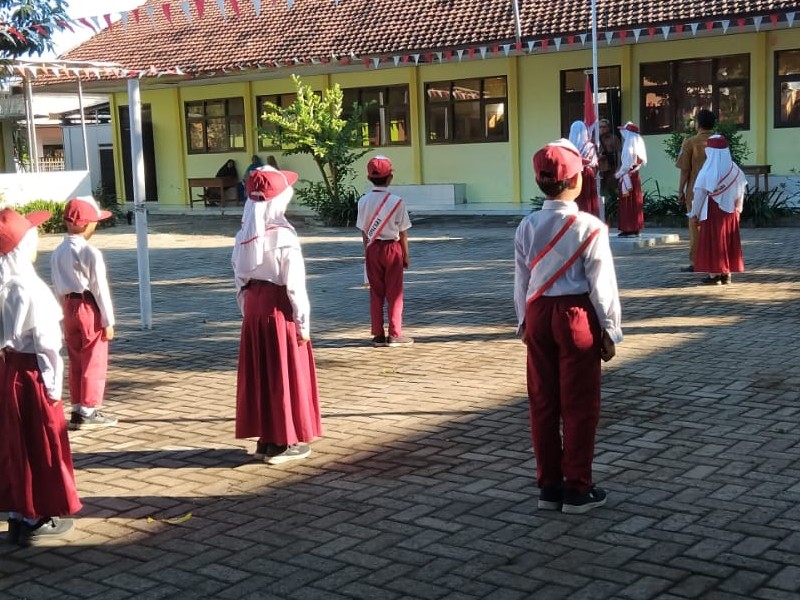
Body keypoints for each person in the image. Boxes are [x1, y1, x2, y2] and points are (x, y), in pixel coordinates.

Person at [514, 139, 622, 514]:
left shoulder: (527, 226)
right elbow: (602, 284)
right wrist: (610, 329)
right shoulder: (590, 227)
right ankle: (577, 488)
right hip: (576, 316)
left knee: (542, 403)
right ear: (576, 181)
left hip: (538, 312)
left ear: (539, 181)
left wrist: (523, 323)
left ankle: (549, 487)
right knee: (578, 405)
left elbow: (521, 280)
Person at [0, 208, 82, 545]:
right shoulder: (31, 288)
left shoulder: (4, 284)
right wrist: (53, 387)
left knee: (14, 443)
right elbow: (48, 346)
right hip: (32, 373)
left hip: (8, 371)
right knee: (41, 442)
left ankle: (18, 514)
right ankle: (37, 517)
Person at [232, 165, 322, 465]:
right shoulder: (284, 236)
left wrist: (249, 314)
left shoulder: (244, 235)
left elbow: (239, 281)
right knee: (284, 375)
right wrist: (303, 325)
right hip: (279, 310)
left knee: (262, 375)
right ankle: (283, 442)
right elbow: (295, 287)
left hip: (254, 310)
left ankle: (266, 439)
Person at [50, 196, 118, 430]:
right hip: (88, 306)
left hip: (68, 306)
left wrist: (63, 313)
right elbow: (100, 288)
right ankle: (88, 409)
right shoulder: (91, 252)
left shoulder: (58, 251)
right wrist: (108, 320)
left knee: (76, 358)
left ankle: (77, 406)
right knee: (94, 358)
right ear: (88, 224)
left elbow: (57, 285)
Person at [355, 155, 413, 347]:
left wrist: (367, 252)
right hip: (392, 249)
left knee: (376, 293)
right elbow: (403, 232)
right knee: (394, 292)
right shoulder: (397, 201)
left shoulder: (363, 201)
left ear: (369, 177)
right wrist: (406, 255)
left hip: (372, 248)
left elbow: (364, 231)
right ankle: (395, 334)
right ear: (390, 178)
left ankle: (378, 334)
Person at [689, 135, 746, 285]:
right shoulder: (736, 170)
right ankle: (726, 274)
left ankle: (714, 275)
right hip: (731, 211)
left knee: (714, 241)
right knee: (727, 240)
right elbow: (741, 191)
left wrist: (694, 214)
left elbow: (699, 195)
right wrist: (738, 209)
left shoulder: (707, 171)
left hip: (712, 211)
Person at [676, 109, 717, 273]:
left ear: (698, 124)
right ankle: (715, 259)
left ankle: (697, 261)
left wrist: (680, 191)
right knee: (714, 225)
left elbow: (685, 170)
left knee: (695, 225)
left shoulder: (690, 142)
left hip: (695, 190)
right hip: (717, 191)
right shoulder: (720, 141)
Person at [615, 122, 647, 237]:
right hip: (635, 176)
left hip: (627, 176)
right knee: (635, 201)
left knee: (627, 202)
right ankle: (635, 226)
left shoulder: (629, 147)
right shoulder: (637, 146)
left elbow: (626, 166)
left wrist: (617, 175)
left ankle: (628, 227)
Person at [568, 120, 600, 217]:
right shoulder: (589, 146)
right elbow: (594, 163)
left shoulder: (569, 147)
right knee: (587, 198)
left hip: (573, 173)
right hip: (587, 173)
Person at [596, 119, 621, 199]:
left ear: (608, 128)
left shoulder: (614, 138)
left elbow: (619, 153)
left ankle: (611, 204)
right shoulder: (595, 138)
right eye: (600, 127)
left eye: (604, 127)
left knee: (611, 190)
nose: (602, 129)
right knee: (600, 190)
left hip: (610, 168)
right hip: (598, 168)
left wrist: (618, 167)